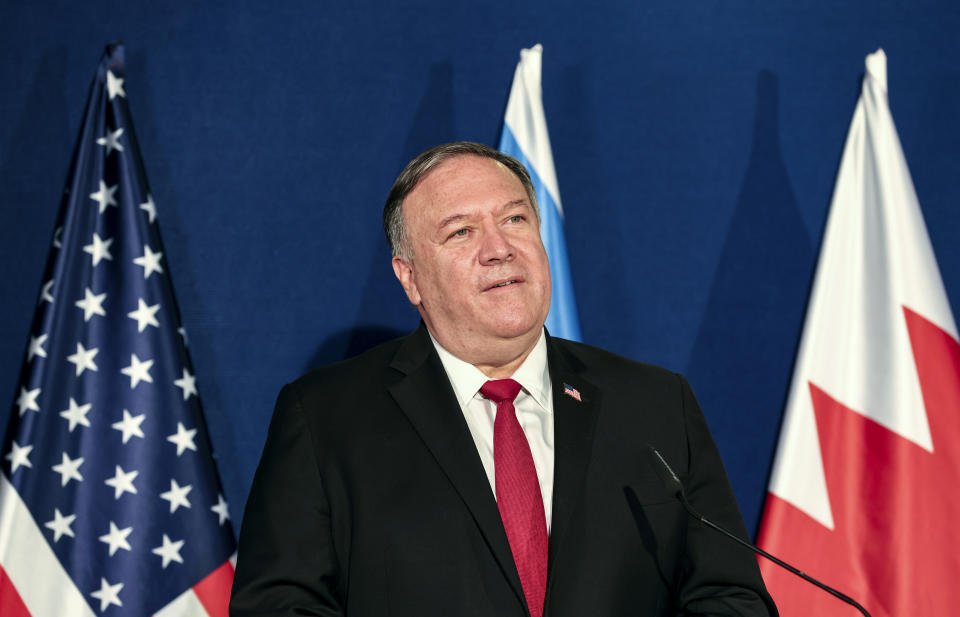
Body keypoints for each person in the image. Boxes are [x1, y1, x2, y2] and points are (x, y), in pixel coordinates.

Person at [229, 142, 777, 617]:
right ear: (410, 277)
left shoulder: (655, 405)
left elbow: (730, 598)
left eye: (515, 220)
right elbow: (280, 606)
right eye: (461, 231)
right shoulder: (326, 417)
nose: (499, 248)